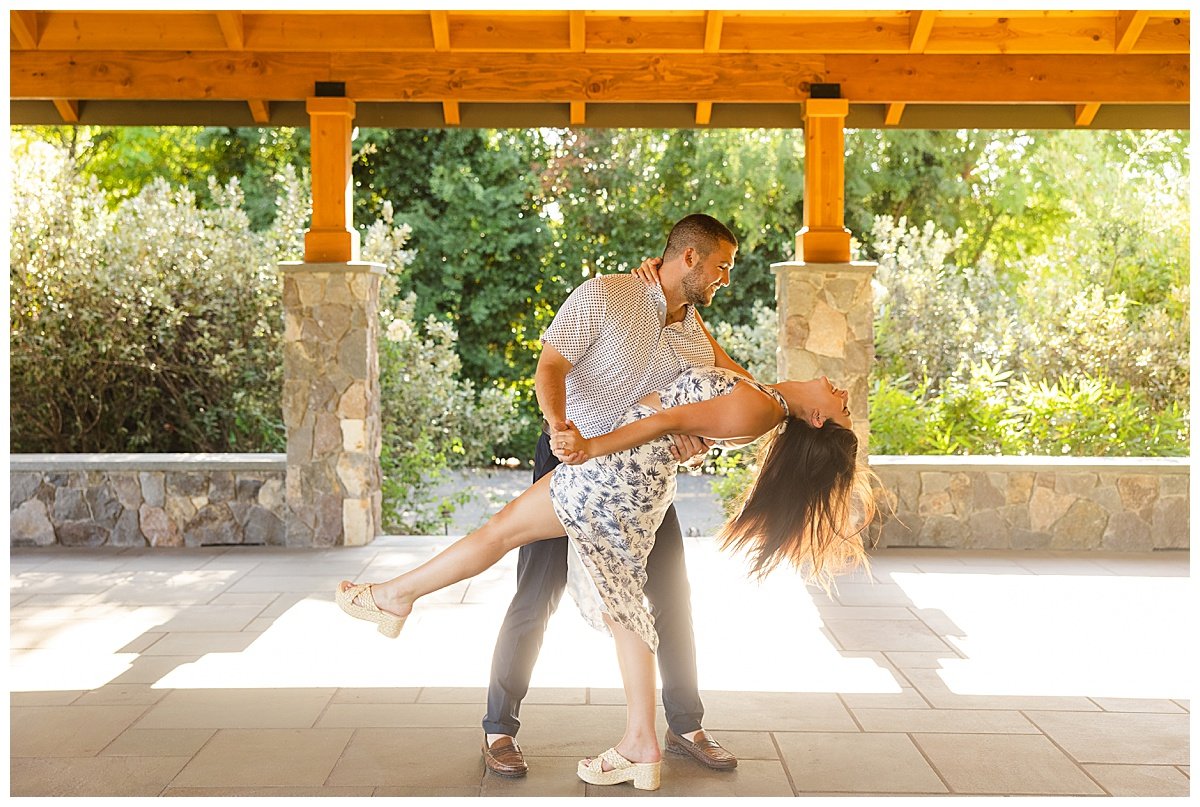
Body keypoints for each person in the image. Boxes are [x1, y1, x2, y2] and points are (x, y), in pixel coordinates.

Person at [336, 366, 876, 791]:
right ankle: (640, 743)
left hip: (610, 473)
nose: (841, 390)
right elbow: (709, 376)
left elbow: (668, 421)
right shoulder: (763, 398)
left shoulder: (758, 407)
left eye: (843, 406)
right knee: (618, 603)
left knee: (509, 540)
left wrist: (592, 448)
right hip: (630, 482)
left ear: (818, 421)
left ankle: (393, 596)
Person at [478, 213, 749, 780]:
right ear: (690, 258)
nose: (726, 277)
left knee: (673, 597)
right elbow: (551, 363)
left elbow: (735, 395)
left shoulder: (695, 334)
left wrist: (697, 437)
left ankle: (687, 725)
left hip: (640, 485)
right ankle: (499, 728)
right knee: (537, 591)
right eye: (722, 265)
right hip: (571, 464)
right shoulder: (606, 294)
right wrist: (558, 425)